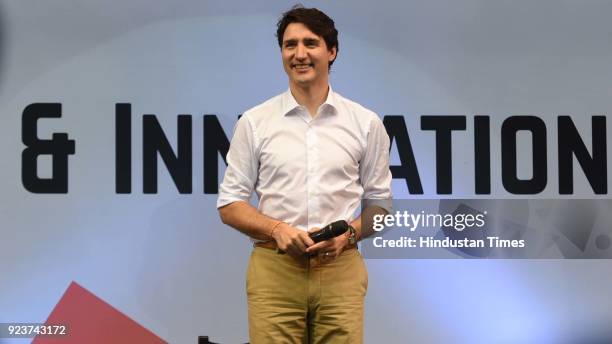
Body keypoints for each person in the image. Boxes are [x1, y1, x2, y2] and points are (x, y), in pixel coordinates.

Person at [217, 5, 392, 343]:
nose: (299, 54)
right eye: (289, 45)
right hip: (274, 268)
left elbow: (382, 210)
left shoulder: (365, 123)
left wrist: (349, 236)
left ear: (332, 51)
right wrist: (277, 228)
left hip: (340, 269)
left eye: (310, 43)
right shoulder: (255, 122)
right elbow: (229, 205)